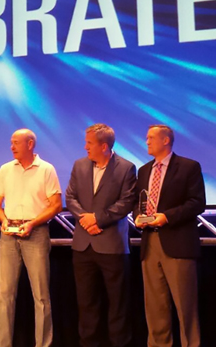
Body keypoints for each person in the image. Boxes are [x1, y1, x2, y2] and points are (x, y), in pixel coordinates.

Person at [65, 124, 137, 347]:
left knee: (118, 303)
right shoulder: (79, 165)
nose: (85, 147)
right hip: (83, 246)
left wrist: (97, 219)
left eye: (89, 143)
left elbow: (126, 202)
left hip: (112, 246)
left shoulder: (126, 168)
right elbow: (70, 197)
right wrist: (85, 220)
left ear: (104, 146)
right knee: (86, 302)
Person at [134, 125, 205, 347]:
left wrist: (167, 217)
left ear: (166, 140)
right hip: (150, 243)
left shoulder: (188, 167)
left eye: (151, 137)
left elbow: (197, 202)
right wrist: (138, 217)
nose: (147, 141)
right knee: (155, 307)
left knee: (185, 306)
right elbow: (139, 203)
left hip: (178, 243)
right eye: (146, 138)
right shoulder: (144, 170)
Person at [0, 128, 62, 347]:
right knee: (5, 294)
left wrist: (33, 223)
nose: (11, 147)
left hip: (36, 232)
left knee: (41, 295)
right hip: (9, 234)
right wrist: (3, 220)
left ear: (30, 144)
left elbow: (56, 205)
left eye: (16, 142)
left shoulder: (46, 169)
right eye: (11, 142)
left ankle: (43, 344)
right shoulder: (5, 169)